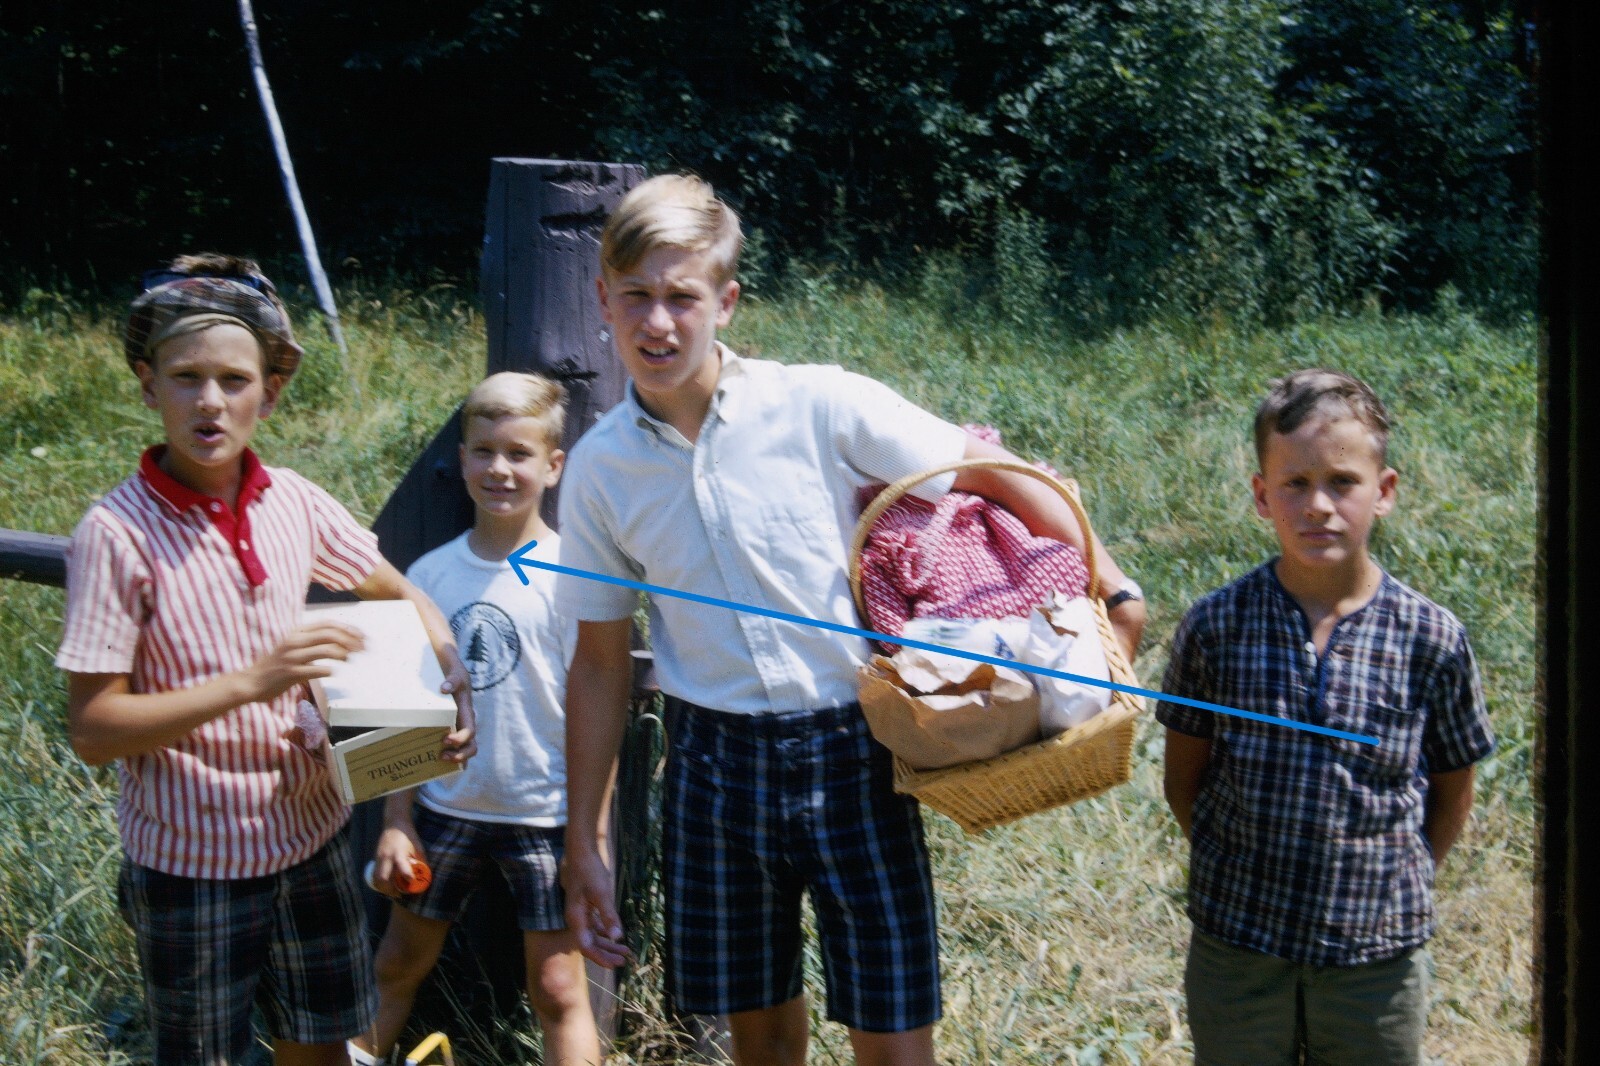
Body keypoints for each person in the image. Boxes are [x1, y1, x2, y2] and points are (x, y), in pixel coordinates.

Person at [555, 173, 1146, 1066]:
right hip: (712, 764)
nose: (658, 323)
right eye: (635, 296)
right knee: (757, 1037)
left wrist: (1111, 588)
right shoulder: (600, 470)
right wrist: (585, 841)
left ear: (727, 300)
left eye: (683, 296)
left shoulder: (820, 404)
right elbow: (599, 662)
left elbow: (990, 470)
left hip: (855, 748)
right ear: (602, 297)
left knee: (896, 1037)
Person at [55, 254, 476, 1066]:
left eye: (233, 380)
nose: (210, 401)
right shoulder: (115, 535)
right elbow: (95, 729)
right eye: (185, 377)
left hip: (312, 842)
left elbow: (399, 594)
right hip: (192, 861)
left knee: (319, 1049)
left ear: (269, 393)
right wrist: (257, 680)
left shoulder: (295, 499)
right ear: (148, 385)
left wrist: (443, 679)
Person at [1157, 368, 1495, 1066]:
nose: (1319, 505)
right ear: (1261, 495)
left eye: (1343, 481)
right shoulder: (1216, 626)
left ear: (1386, 491)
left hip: (1376, 961)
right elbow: (1184, 781)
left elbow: (1452, 787)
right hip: (1239, 948)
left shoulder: (1431, 637)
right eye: (1295, 483)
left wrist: (1391, 880)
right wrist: (1246, 871)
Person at [349, 372, 601, 1066]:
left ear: (553, 466)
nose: (499, 469)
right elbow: (405, 701)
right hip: (443, 808)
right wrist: (397, 821)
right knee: (397, 961)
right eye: (484, 451)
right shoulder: (428, 575)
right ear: (461, 460)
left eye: (519, 454)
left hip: (544, 812)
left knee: (556, 988)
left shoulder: (575, 575)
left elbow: (594, 707)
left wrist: (593, 832)